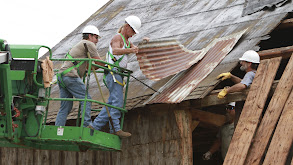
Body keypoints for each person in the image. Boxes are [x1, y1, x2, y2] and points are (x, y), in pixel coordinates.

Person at [88, 15, 142, 138]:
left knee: (112, 102)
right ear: (127, 26)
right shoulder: (117, 37)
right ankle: (116, 129)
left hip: (118, 74)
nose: (133, 34)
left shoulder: (127, 41)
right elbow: (116, 51)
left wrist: (143, 43)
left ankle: (95, 126)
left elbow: (136, 49)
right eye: (133, 31)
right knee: (117, 101)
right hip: (113, 73)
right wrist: (130, 51)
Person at [55, 25, 103, 127]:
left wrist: (92, 68)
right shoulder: (89, 44)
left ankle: (58, 129)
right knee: (86, 99)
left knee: (66, 107)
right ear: (90, 36)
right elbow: (99, 63)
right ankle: (86, 125)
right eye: (96, 37)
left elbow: (87, 68)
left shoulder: (79, 45)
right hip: (70, 76)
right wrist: (109, 64)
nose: (97, 41)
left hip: (62, 76)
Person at [217, 50, 260, 126]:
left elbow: (242, 85)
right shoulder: (255, 73)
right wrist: (231, 76)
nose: (241, 63)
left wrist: (227, 91)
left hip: (246, 113)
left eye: (243, 61)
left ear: (249, 63)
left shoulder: (250, 74)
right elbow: (243, 82)